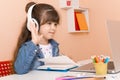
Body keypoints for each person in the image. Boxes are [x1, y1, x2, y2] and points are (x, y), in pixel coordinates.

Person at [14, 2, 60, 74]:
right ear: (35, 24)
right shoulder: (28, 47)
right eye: (49, 23)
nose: (53, 28)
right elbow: (20, 70)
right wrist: (34, 43)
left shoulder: (54, 46)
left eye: (55, 24)